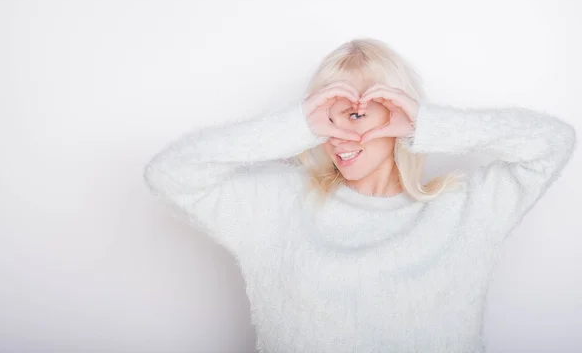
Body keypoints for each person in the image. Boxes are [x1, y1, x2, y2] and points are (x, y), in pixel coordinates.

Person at [143, 38, 577, 353]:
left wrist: (427, 125)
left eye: (354, 115)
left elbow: (553, 142)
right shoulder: (276, 206)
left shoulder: (465, 208)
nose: (339, 136)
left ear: (398, 117)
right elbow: (170, 173)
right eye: (325, 119)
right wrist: (293, 126)